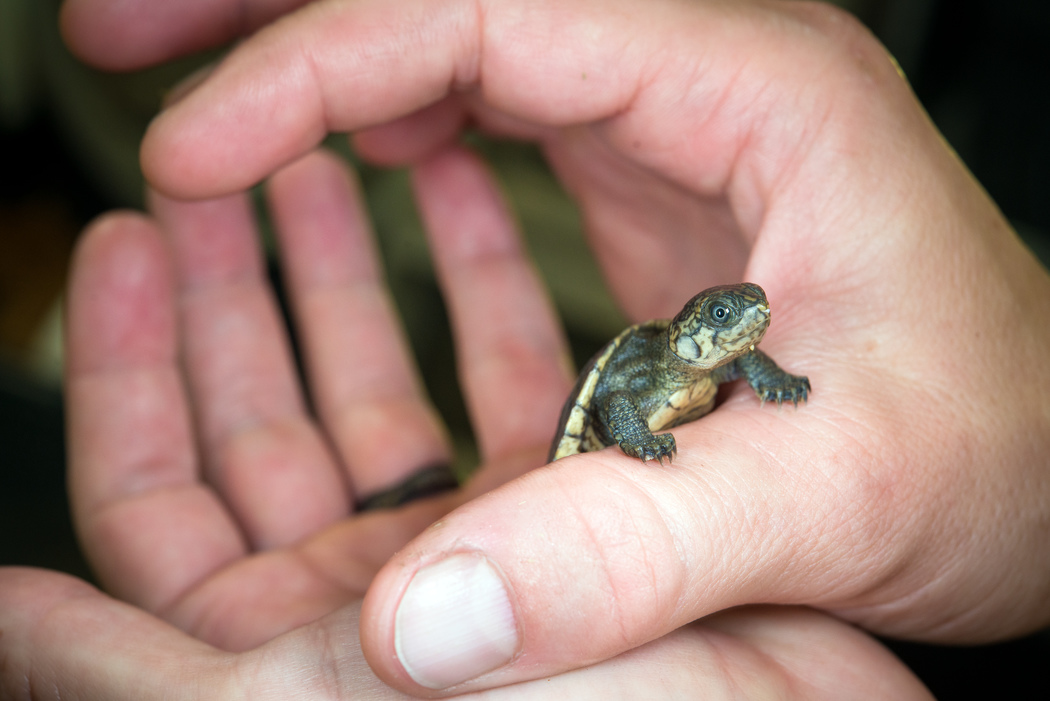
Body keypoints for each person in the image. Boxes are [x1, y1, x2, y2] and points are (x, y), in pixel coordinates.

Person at [2, 0, 1047, 696]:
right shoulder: (654, 366)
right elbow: (617, 409)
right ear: (695, 329)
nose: (742, 338)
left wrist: (776, 379)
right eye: (730, 328)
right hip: (580, 437)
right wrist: (637, 444)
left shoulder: (721, 358)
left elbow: (743, 363)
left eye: (748, 326)